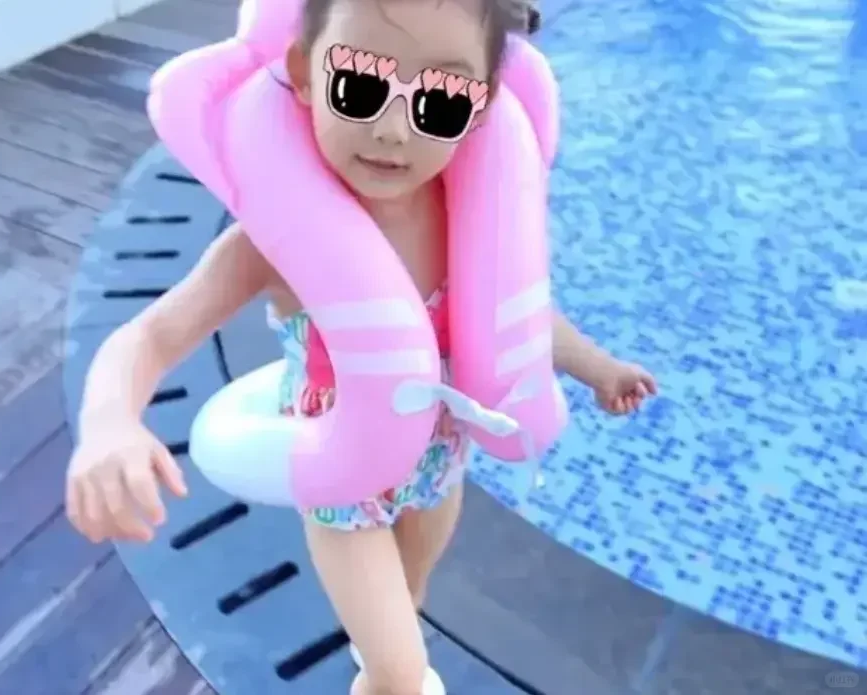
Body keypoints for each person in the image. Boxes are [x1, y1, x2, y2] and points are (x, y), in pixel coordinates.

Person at [66, 1, 657, 693]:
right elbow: (152, 334)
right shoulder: (274, 243)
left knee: (408, 600)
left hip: (437, 465)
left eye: (439, 100)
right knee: (400, 671)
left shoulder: (464, 212)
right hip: (342, 484)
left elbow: (517, 318)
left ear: (482, 105)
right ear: (304, 73)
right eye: (359, 85)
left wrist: (598, 367)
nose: (392, 129)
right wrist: (109, 422)